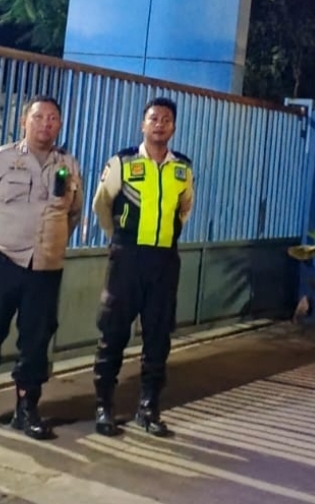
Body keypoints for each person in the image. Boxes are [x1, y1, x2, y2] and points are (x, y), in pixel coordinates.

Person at [0, 95, 83, 440]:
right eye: (38, 117)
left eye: (53, 118)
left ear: (60, 124)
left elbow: (73, 213)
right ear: (25, 121)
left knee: (36, 341)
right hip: (2, 262)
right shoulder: (2, 158)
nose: (46, 124)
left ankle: (27, 411)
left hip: (45, 268)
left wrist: (51, 244)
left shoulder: (68, 164)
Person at [91, 96, 194, 437]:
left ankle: (148, 408)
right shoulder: (123, 162)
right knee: (113, 333)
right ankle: (104, 406)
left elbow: (184, 209)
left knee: (158, 337)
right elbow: (102, 204)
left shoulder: (182, 168)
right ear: (143, 124)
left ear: (173, 127)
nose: (159, 124)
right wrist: (119, 238)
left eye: (166, 119)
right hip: (127, 260)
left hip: (164, 261)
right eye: (154, 118)